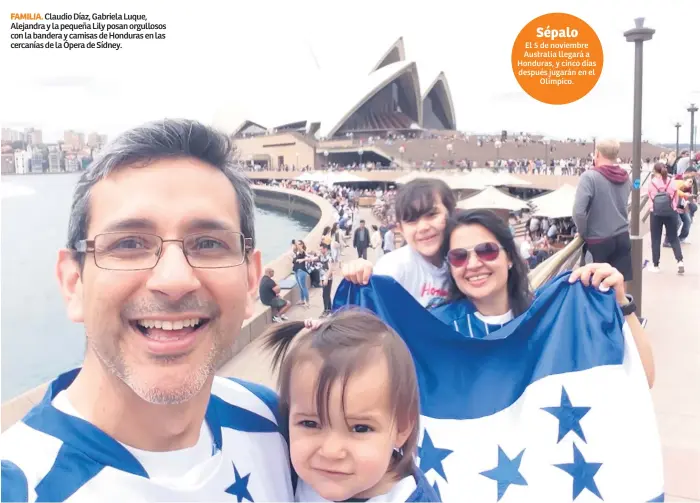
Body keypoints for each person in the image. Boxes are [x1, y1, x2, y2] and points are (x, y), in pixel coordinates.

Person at [0, 120, 295, 501]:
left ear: (252, 280)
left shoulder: (275, 424)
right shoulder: (21, 486)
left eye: (208, 243)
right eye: (129, 243)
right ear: (74, 283)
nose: (174, 279)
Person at [431, 209, 655, 386]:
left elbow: (644, 377)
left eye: (486, 251)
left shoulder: (554, 317)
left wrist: (621, 304)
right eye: (458, 257)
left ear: (509, 257)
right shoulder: (435, 329)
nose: (473, 264)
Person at [262, 309, 440, 502]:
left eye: (360, 428)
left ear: (402, 428)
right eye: (310, 424)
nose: (331, 451)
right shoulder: (288, 473)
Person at [343, 178, 457, 308]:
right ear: (401, 229)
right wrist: (361, 274)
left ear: (451, 214)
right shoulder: (395, 267)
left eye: (431, 214)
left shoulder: (465, 260)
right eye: (411, 220)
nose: (423, 227)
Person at [572, 138, 633, 282]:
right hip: (622, 237)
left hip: (598, 242)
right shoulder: (625, 177)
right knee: (619, 285)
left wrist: (583, 232)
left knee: (595, 288)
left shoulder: (589, 177)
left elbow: (579, 212)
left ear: (597, 154)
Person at [646, 162, 684, 274]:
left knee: (656, 239)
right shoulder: (672, 182)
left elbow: (650, 196)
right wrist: (674, 207)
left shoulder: (652, 183)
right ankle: (680, 261)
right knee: (673, 237)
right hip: (671, 212)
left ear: (655, 171)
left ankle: (656, 265)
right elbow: (676, 196)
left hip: (656, 213)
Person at [293, 239, 311, 307]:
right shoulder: (296, 253)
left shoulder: (302, 252)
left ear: (302, 245)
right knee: (300, 287)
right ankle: (302, 300)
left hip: (301, 271)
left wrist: (296, 244)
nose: (298, 245)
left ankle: (307, 301)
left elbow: (300, 249)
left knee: (303, 287)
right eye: (298, 244)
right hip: (296, 271)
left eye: (300, 243)